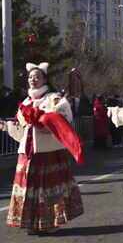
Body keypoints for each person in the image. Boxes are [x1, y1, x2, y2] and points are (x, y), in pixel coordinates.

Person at [0, 62, 83, 234]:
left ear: (45, 78)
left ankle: (50, 222)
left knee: (47, 188)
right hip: (28, 152)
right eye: (31, 77)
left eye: (37, 77)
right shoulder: (26, 101)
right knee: (29, 187)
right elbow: (22, 129)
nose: (33, 80)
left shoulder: (53, 99)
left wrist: (44, 122)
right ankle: (32, 222)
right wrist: (8, 126)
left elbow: (63, 119)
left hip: (48, 151)